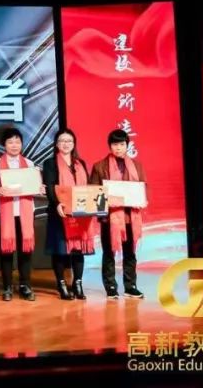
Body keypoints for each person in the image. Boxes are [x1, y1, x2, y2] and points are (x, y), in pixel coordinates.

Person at [89, 129, 148, 299]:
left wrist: (143, 199)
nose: (118, 148)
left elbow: (143, 187)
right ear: (110, 146)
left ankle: (130, 287)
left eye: (122, 144)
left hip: (131, 217)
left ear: (127, 145)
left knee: (130, 253)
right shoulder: (99, 166)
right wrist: (106, 202)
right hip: (110, 218)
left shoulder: (137, 166)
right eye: (115, 144)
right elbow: (94, 192)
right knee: (109, 253)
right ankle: (111, 287)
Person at [0, 128, 41, 302]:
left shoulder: (30, 164)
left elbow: (35, 186)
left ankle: (25, 285)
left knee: (25, 250)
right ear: (4, 145)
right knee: (6, 250)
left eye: (17, 142)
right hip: (3, 212)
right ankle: (7, 286)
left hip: (25, 211)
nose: (14, 145)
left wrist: (39, 188)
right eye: (10, 142)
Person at [42, 128, 95, 301]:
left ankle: (78, 283)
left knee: (78, 250)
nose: (66, 144)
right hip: (60, 212)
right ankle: (62, 285)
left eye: (69, 141)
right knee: (60, 250)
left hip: (79, 213)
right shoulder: (50, 163)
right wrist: (57, 203)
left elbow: (86, 186)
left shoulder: (81, 164)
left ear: (74, 144)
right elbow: (50, 186)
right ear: (57, 144)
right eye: (62, 141)